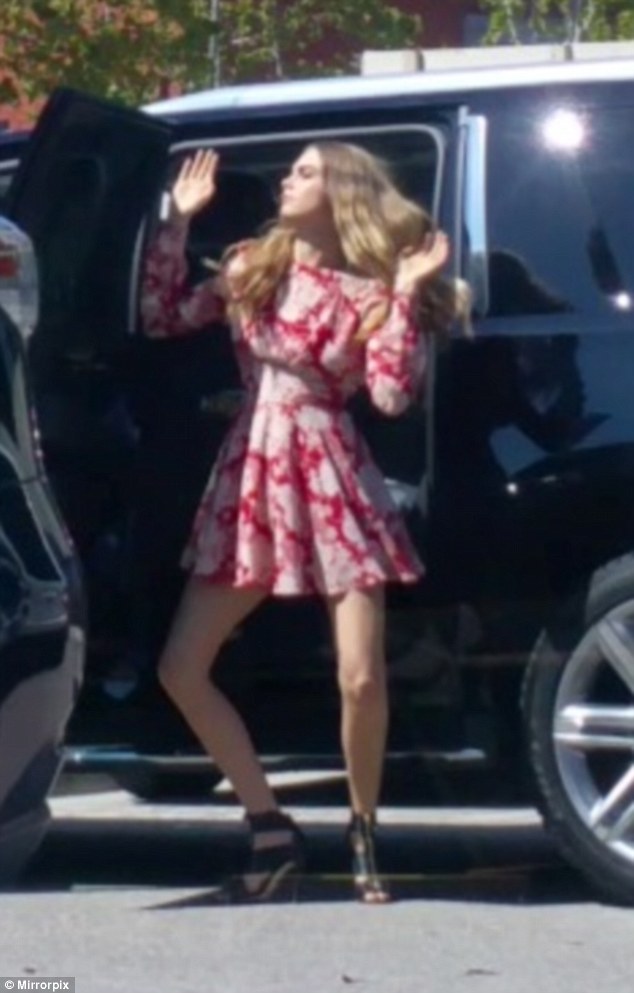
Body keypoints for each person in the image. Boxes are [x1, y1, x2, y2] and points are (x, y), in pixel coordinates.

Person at [140, 142, 464, 904]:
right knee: (181, 666)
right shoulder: (251, 264)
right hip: (255, 473)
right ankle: (269, 824)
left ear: (342, 192)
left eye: (306, 172)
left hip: (331, 473)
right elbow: (161, 316)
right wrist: (176, 224)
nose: (287, 179)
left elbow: (390, 397)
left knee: (361, 675)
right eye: (290, 171)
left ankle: (363, 827)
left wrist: (406, 294)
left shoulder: (367, 293)